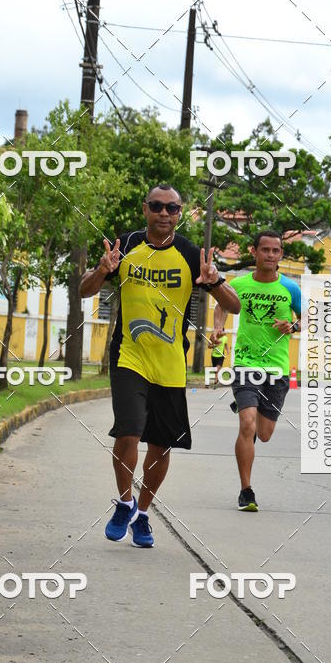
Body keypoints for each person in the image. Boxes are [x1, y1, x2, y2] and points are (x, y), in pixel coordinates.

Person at [80, 184, 241, 547]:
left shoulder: (190, 254)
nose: (164, 213)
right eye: (157, 206)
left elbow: (233, 306)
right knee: (130, 431)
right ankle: (124, 503)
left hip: (170, 362)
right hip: (129, 356)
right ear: (145, 209)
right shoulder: (126, 246)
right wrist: (102, 270)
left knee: (161, 445)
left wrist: (214, 282)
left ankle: (143, 513)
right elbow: (84, 290)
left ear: (180, 213)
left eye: (172, 208)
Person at [212, 230, 301, 512]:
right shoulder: (239, 284)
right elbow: (221, 306)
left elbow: (312, 318)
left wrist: (294, 326)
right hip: (247, 364)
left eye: (276, 251)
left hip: (277, 368)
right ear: (254, 252)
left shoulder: (290, 288)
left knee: (263, 434)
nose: (270, 255)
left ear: (281, 255)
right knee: (247, 424)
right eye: (265, 250)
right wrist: (218, 327)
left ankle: (246, 407)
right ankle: (246, 491)